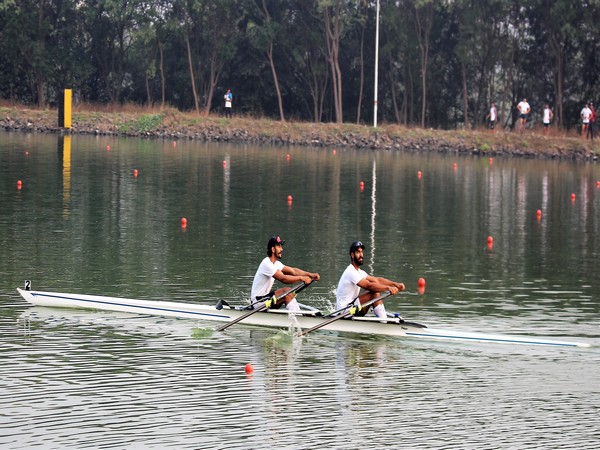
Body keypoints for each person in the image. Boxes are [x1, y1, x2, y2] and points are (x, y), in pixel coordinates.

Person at [335, 241, 405, 320]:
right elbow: (369, 286)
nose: (361, 255)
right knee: (373, 294)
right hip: (344, 312)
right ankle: (384, 323)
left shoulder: (360, 272)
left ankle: (383, 321)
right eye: (358, 252)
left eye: (361, 252)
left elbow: (377, 280)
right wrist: (388, 288)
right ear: (352, 255)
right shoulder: (350, 271)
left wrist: (395, 284)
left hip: (352, 308)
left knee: (374, 291)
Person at [250, 236, 320, 311]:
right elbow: (283, 279)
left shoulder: (276, 264)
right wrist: (301, 278)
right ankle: (298, 317)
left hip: (266, 299)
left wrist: (311, 275)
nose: (282, 249)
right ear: (273, 249)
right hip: (257, 302)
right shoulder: (266, 263)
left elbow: (293, 271)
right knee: (287, 292)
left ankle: (297, 315)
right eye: (279, 246)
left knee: (288, 293)